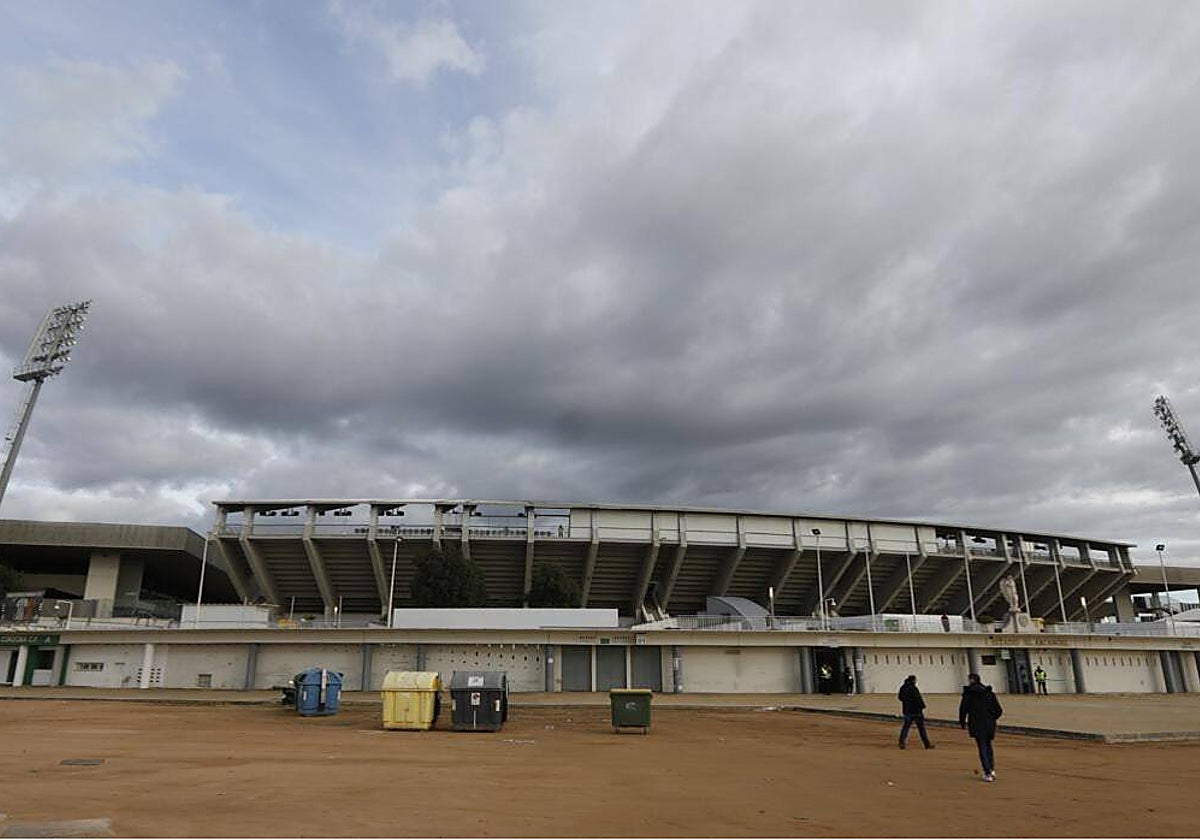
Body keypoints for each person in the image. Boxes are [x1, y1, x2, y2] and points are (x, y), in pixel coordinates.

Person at [959, 673, 1003, 782]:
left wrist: (962, 722)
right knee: (989, 746)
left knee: (982, 746)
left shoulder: (969, 694)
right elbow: (998, 710)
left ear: (971, 680)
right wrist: (992, 718)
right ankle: (991, 769)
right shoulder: (989, 693)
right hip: (989, 723)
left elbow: (963, 709)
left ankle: (987, 771)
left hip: (976, 723)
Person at [897, 675, 935, 749]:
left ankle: (901, 743)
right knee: (921, 729)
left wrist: (906, 702)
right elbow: (918, 699)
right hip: (916, 711)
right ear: (913, 680)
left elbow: (900, 697)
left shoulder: (903, 687)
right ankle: (927, 744)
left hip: (907, 710)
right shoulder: (914, 688)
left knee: (906, 727)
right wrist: (922, 706)